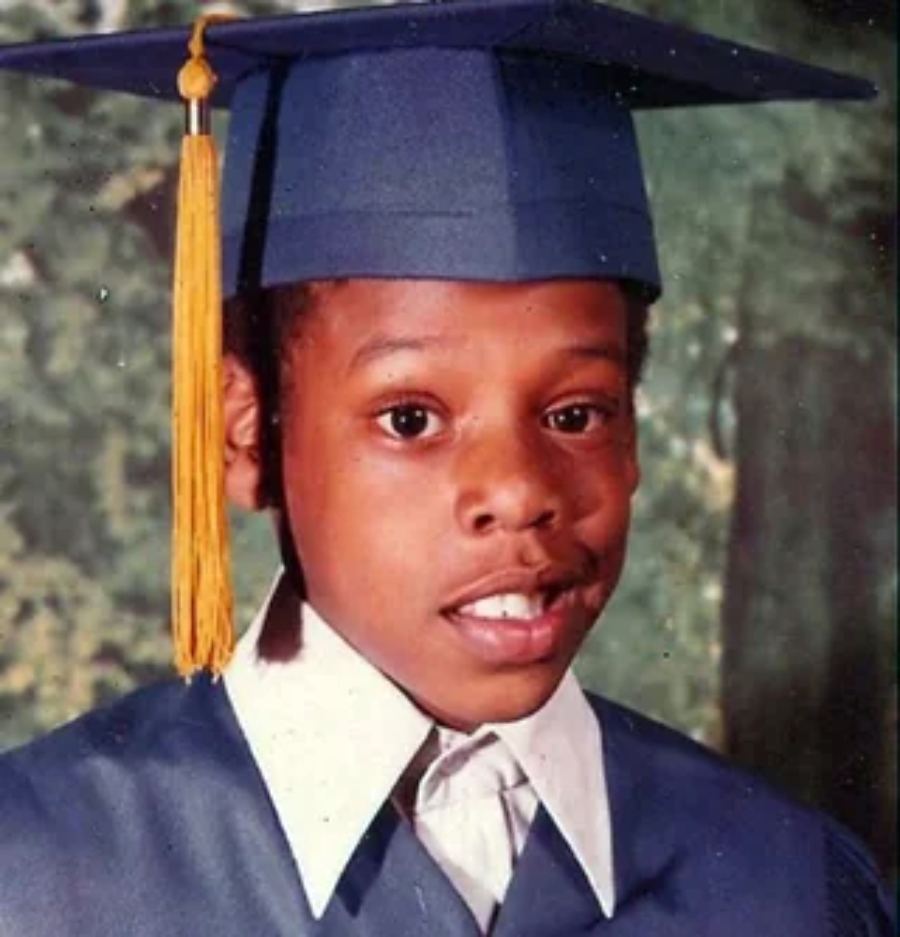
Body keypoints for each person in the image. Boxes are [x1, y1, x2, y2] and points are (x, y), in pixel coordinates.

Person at [0, 2, 892, 934]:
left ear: (631, 438)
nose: (517, 492)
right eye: (411, 417)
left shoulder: (790, 883)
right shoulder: (34, 870)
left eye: (576, 413)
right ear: (250, 434)